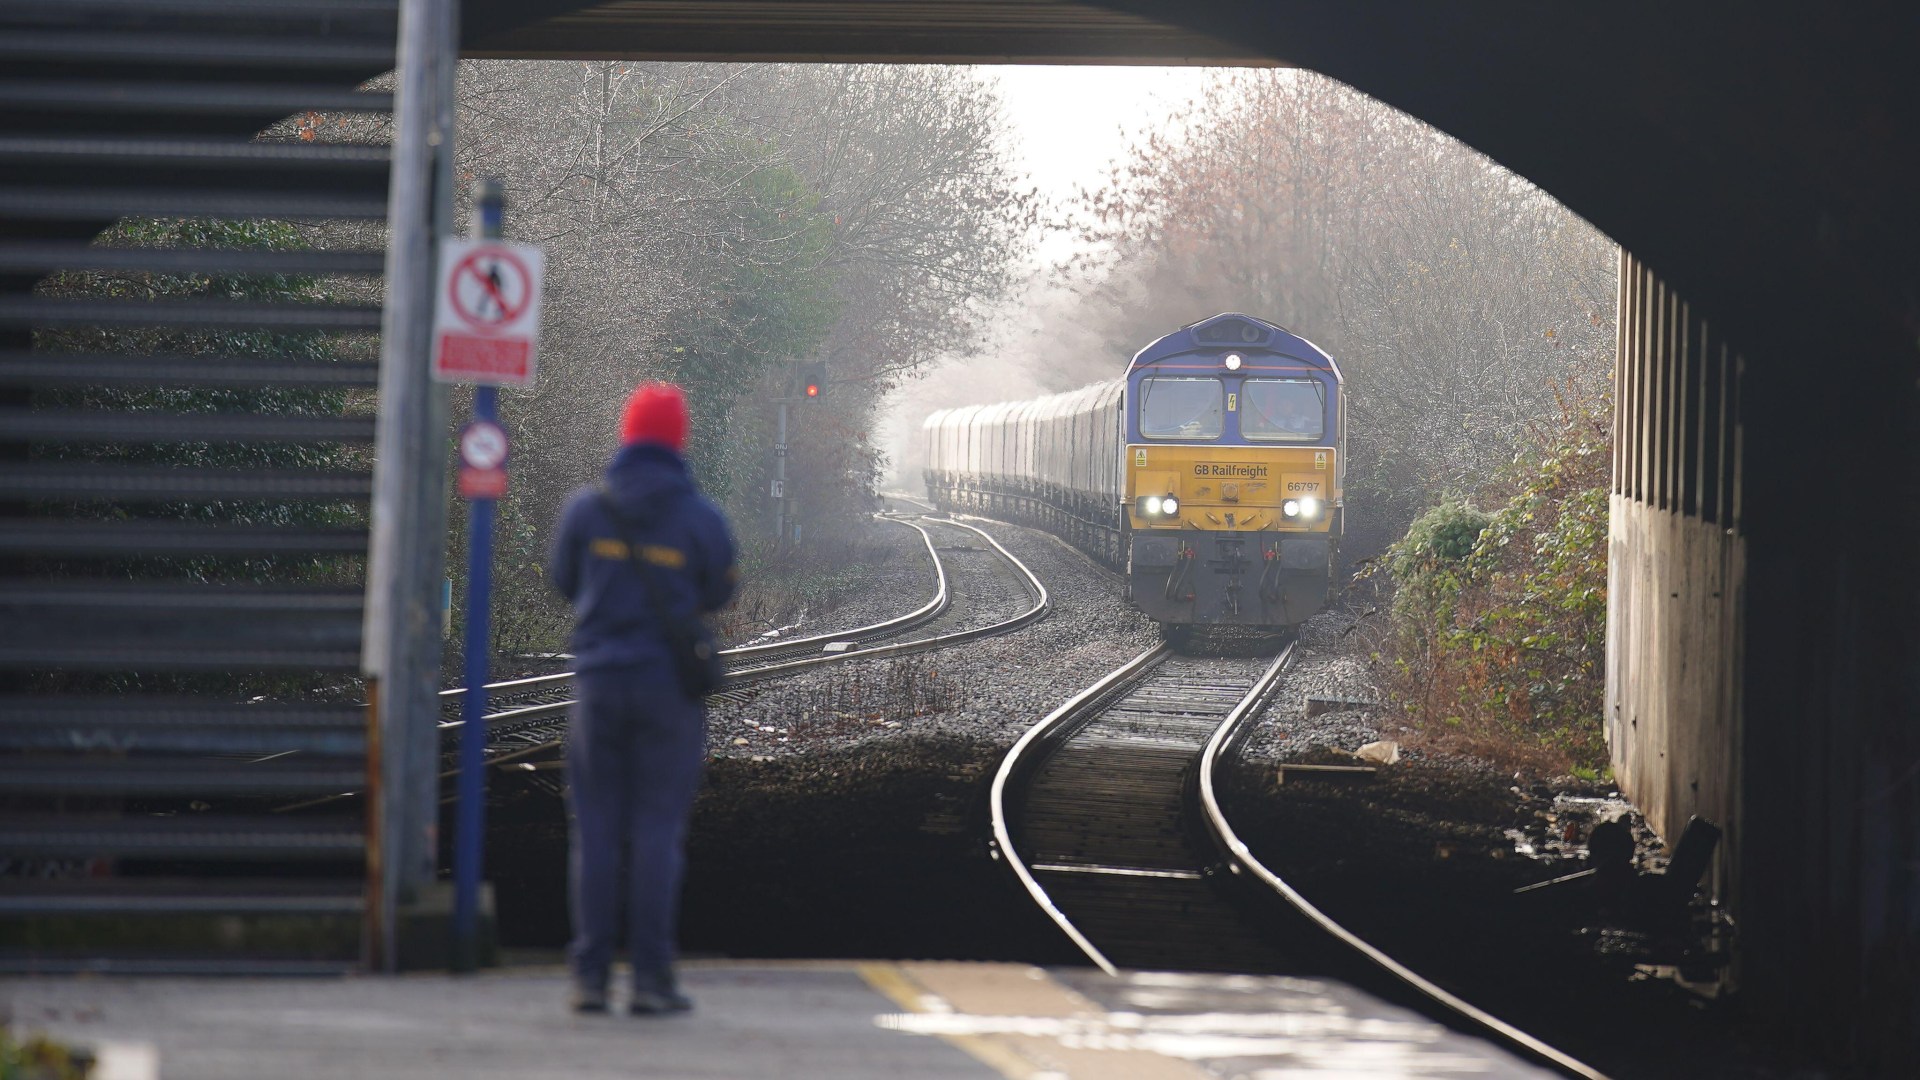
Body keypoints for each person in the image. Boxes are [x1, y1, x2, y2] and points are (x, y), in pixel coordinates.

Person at [549, 382, 737, 1016]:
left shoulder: (587, 510)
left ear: (627, 434)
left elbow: (563, 579)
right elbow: (718, 591)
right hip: (667, 693)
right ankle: (653, 981)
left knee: (596, 830)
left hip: (599, 685)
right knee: (657, 829)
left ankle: (591, 978)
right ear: (679, 440)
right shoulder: (700, 517)